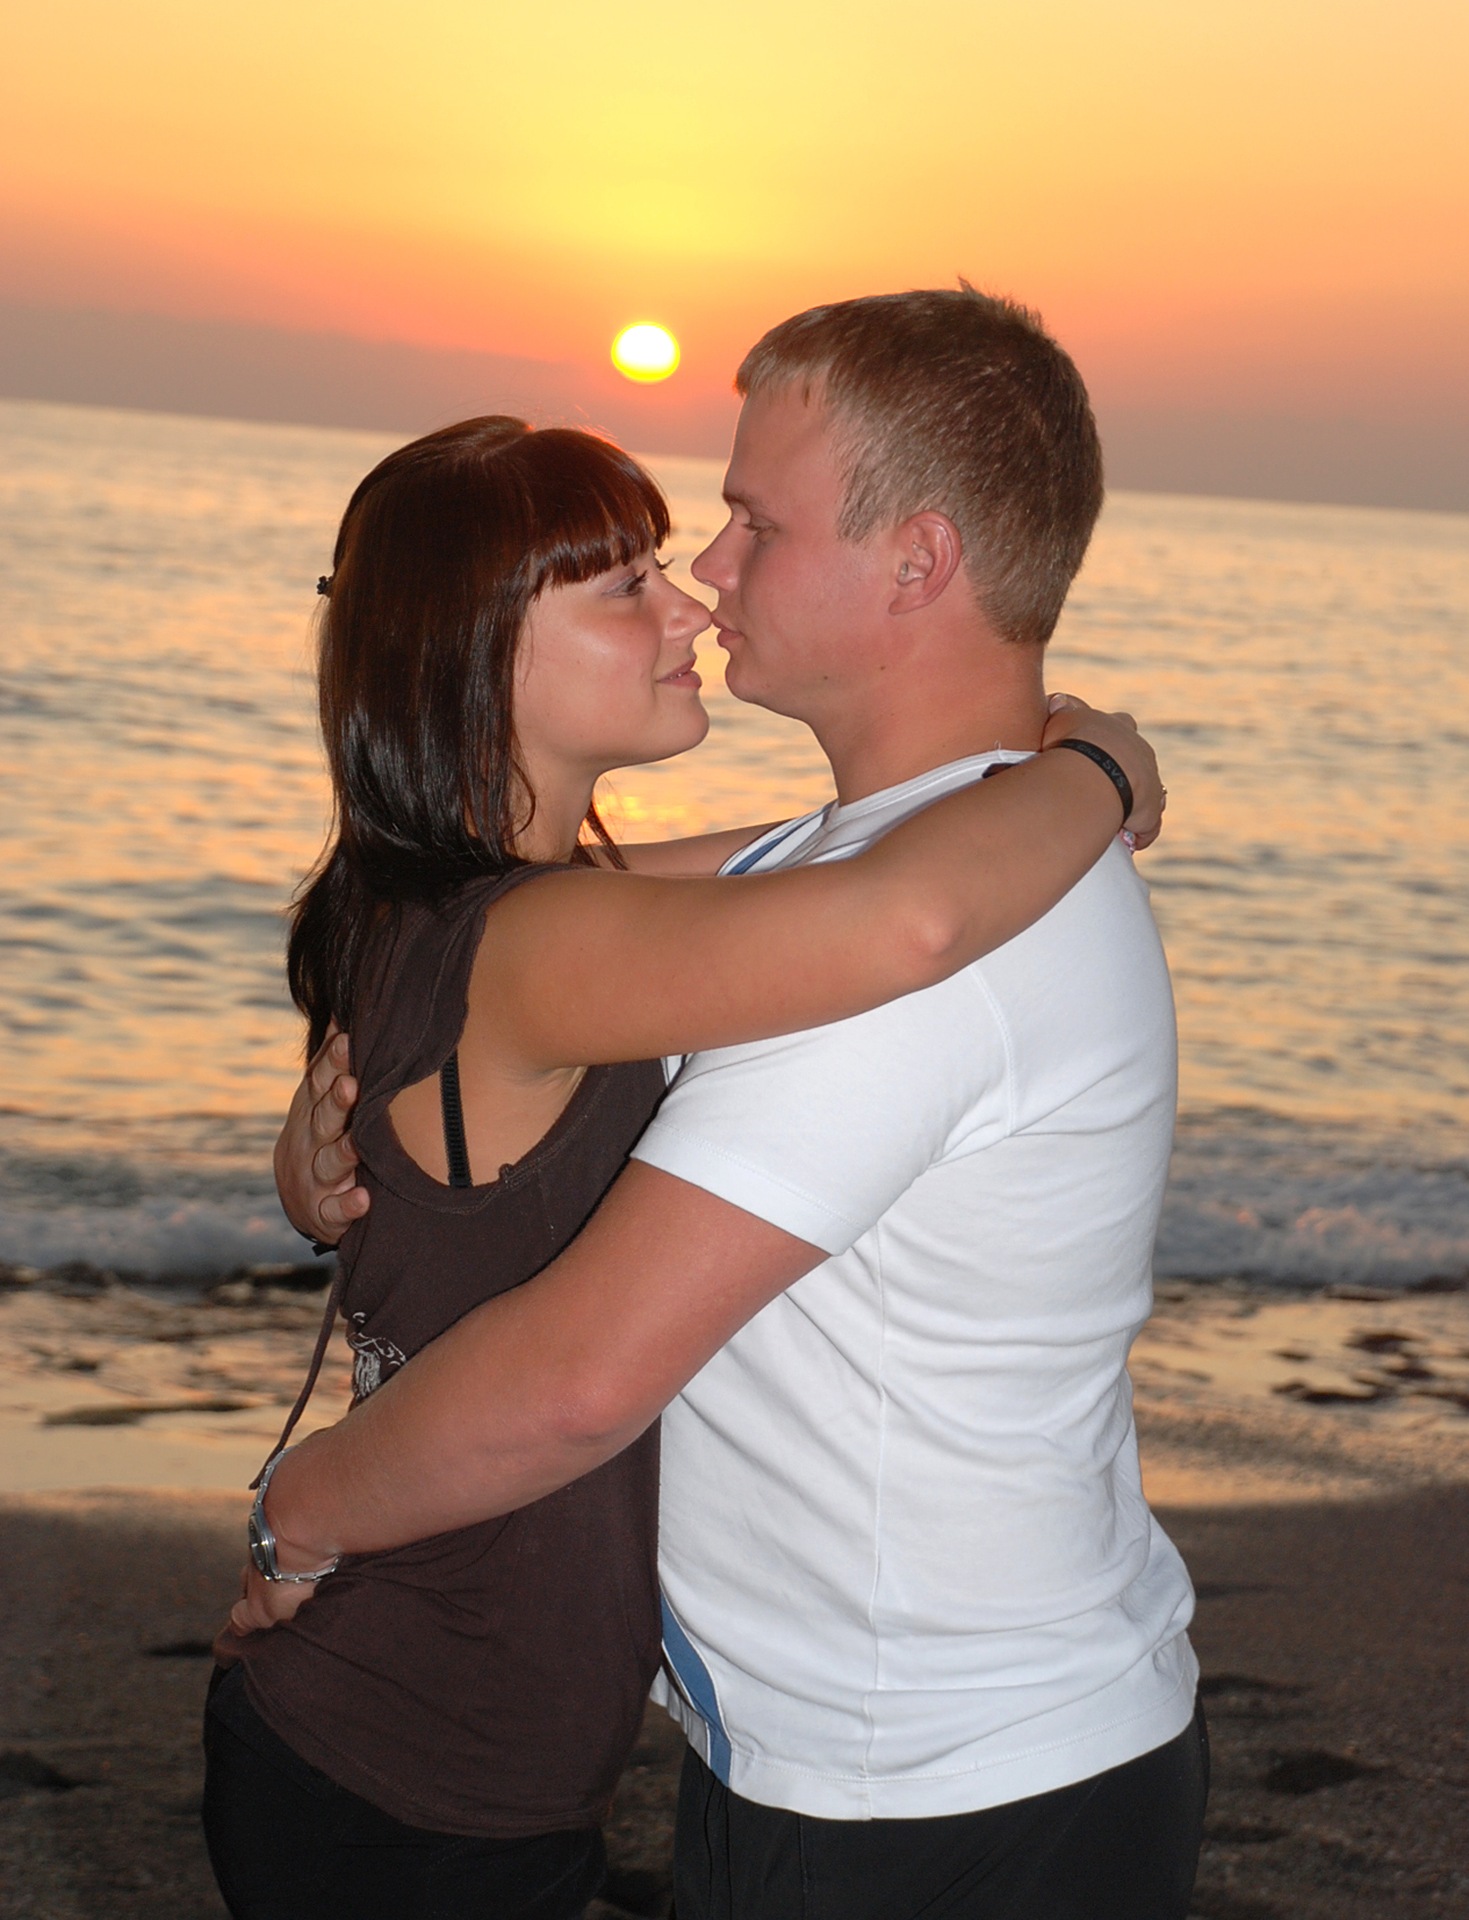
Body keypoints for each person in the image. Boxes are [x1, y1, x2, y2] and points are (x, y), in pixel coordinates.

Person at [206, 402, 1162, 1920]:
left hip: (418, 1741)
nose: (691, 606)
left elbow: (820, 857)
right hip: (412, 1760)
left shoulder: (446, 906)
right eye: (625, 588)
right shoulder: (548, 944)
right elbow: (901, 918)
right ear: (478, 653)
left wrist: (1001, 780)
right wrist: (1095, 771)